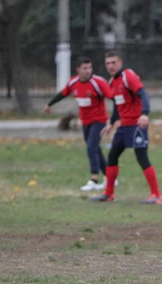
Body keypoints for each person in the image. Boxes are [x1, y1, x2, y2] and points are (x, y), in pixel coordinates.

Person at [91, 51, 162, 204]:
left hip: (137, 125)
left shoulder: (127, 76)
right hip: (123, 127)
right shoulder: (112, 82)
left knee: (142, 159)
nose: (111, 66)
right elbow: (118, 105)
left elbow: (143, 94)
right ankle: (108, 194)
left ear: (120, 62)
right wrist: (111, 123)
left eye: (113, 62)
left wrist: (144, 114)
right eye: (108, 63)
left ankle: (156, 195)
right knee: (112, 156)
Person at [43, 57, 112, 191]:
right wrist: (49, 104)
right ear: (78, 70)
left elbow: (112, 97)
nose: (88, 71)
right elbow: (62, 94)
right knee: (95, 148)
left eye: (90, 68)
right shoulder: (73, 83)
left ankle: (94, 179)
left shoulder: (98, 83)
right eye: (85, 68)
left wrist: (116, 117)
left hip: (99, 120)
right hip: (86, 121)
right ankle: (110, 177)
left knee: (91, 146)